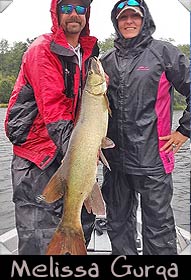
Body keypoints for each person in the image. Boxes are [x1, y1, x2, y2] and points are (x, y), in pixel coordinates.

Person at [4, 0, 99, 255]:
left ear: (87, 15)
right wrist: (84, 154)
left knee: (82, 223)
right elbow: (55, 112)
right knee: (39, 240)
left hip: (67, 155)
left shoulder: (87, 53)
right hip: (38, 159)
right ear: (56, 12)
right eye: (67, 8)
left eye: (80, 9)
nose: (74, 14)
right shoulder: (42, 50)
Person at [100, 0, 190, 255]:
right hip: (114, 162)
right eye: (123, 17)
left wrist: (184, 130)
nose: (129, 21)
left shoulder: (164, 53)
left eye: (134, 16)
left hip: (154, 160)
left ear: (144, 19)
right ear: (116, 23)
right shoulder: (105, 60)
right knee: (117, 224)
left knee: (158, 230)